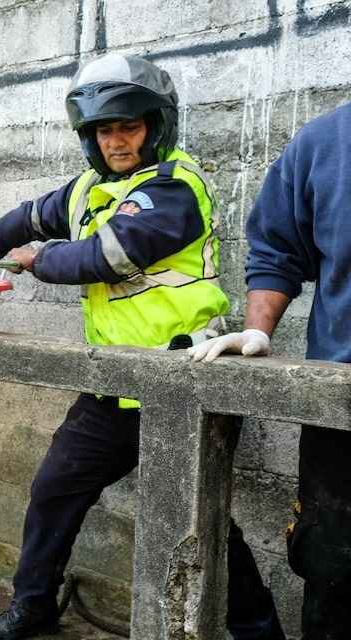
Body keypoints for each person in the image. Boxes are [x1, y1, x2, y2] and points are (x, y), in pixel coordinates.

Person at [0, 54, 284, 639]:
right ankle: (34, 605)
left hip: (182, 378)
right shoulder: (88, 189)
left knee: (200, 520)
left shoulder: (174, 187)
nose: (117, 141)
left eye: (129, 127)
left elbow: (108, 255)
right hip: (115, 386)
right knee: (55, 488)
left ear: (155, 126)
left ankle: (258, 631)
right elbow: (29, 215)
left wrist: (38, 259)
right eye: (105, 130)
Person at [188, 102, 351, 637]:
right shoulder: (324, 142)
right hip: (339, 409)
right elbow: (277, 248)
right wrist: (259, 330)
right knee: (332, 567)